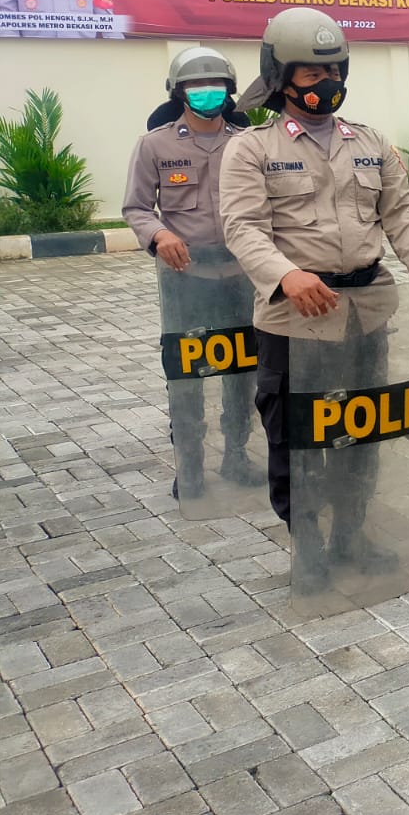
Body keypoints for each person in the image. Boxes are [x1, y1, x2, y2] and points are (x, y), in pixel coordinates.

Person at [219, 8, 409, 580]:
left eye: (334, 71)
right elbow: (241, 226)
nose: (327, 85)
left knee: (362, 427)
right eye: (312, 75)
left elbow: (402, 216)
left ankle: (349, 534)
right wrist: (285, 274)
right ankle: (307, 542)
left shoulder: (370, 142)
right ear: (280, 77)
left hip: (365, 311)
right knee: (296, 433)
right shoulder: (251, 149)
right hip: (293, 318)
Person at [124, 47, 265, 499]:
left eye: (217, 85)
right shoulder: (157, 144)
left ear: (230, 91)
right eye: (196, 87)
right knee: (187, 376)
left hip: (243, 276)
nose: (208, 93)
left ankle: (237, 456)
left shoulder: (251, 141)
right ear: (178, 92)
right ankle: (190, 467)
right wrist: (159, 235)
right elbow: (136, 207)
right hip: (187, 281)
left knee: (242, 374)